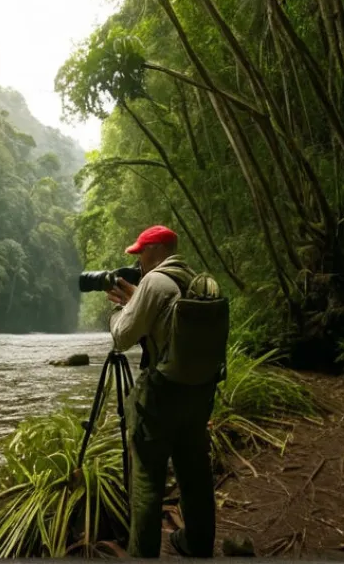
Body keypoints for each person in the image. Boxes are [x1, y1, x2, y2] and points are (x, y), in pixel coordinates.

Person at [106, 224, 218, 558]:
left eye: (141, 252)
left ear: (155, 250)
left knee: (147, 481)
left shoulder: (154, 282)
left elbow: (122, 337)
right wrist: (136, 303)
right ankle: (198, 544)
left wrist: (120, 310)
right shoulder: (196, 281)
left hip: (162, 396)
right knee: (195, 473)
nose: (138, 260)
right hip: (199, 393)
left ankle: (142, 555)